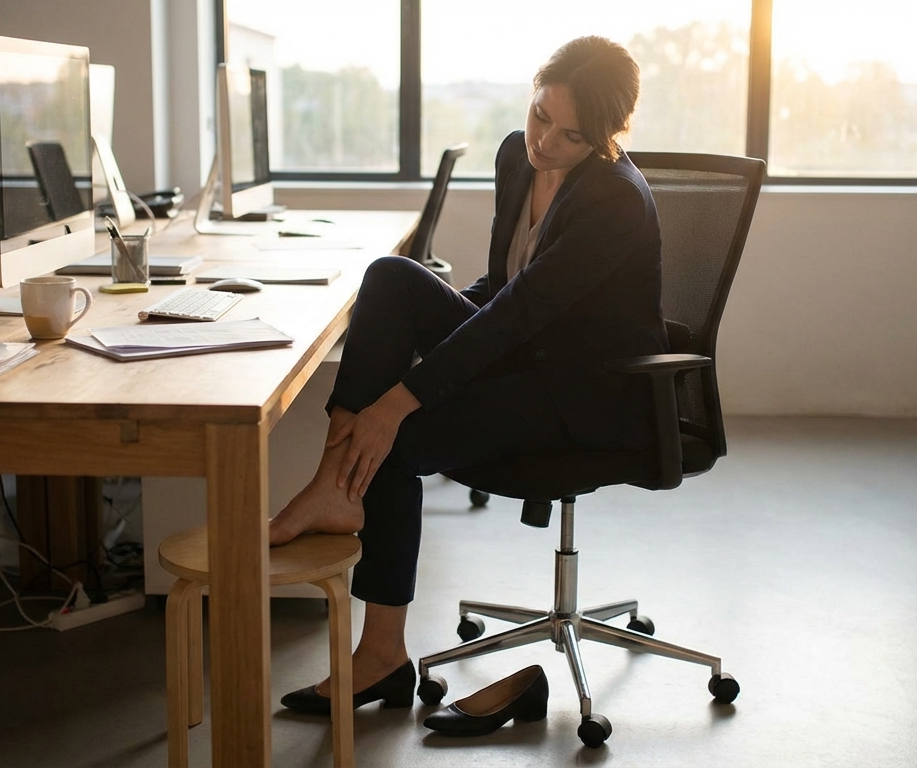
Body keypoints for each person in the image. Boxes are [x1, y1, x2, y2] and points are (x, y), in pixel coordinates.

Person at [269, 35, 667, 713]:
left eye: (570, 136)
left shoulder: (614, 200)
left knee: (392, 438)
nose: (545, 143)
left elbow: (522, 311)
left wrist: (403, 397)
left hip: (581, 391)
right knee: (392, 280)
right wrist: (417, 364)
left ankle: (381, 658)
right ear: (534, 91)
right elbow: (497, 285)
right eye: (541, 115)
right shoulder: (517, 154)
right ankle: (331, 484)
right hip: (524, 357)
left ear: (606, 134)